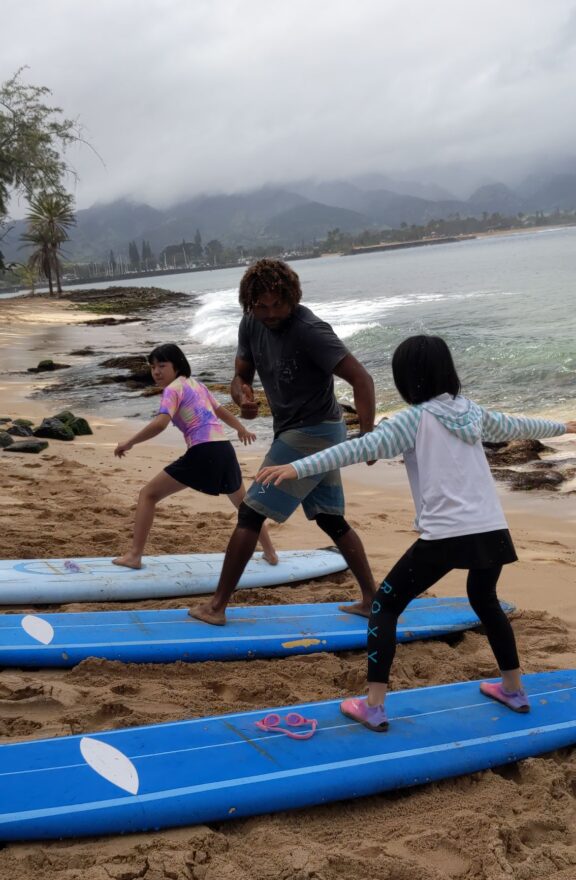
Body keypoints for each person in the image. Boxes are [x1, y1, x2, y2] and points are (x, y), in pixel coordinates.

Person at [257, 334, 576, 731]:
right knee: (485, 599)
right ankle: (513, 688)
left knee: (385, 606)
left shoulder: (413, 419)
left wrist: (297, 467)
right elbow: (517, 424)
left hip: (445, 535)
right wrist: (562, 425)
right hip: (491, 528)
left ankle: (373, 705)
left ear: (407, 378)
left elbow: (357, 448)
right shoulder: (472, 412)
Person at [187, 258, 377, 625]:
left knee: (251, 511)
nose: (270, 313)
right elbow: (240, 375)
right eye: (261, 306)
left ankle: (217, 606)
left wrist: (367, 437)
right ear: (249, 304)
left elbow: (363, 380)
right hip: (302, 430)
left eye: (278, 305)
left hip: (314, 431)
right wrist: (243, 396)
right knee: (330, 519)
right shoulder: (250, 323)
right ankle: (371, 599)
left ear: (292, 298)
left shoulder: (311, 330)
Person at [112, 342, 277, 569]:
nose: (156, 372)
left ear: (177, 365)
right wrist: (240, 428)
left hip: (203, 451)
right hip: (224, 450)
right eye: (152, 367)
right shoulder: (197, 385)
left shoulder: (172, 390)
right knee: (245, 506)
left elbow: (161, 424)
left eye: (162, 365)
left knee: (148, 495)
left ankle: (134, 556)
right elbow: (221, 412)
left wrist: (129, 442)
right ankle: (270, 552)